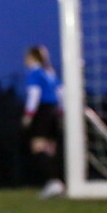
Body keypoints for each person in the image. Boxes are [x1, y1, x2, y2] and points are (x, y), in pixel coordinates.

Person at [21, 45, 65, 199]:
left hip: (42, 111)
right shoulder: (50, 73)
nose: (24, 59)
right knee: (51, 149)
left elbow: (34, 93)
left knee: (38, 147)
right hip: (54, 111)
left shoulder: (34, 72)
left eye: (26, 56)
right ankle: (58, 183)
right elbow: (61, 91)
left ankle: (53, 183)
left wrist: (28, 114)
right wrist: (61, 112)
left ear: (32, 57)